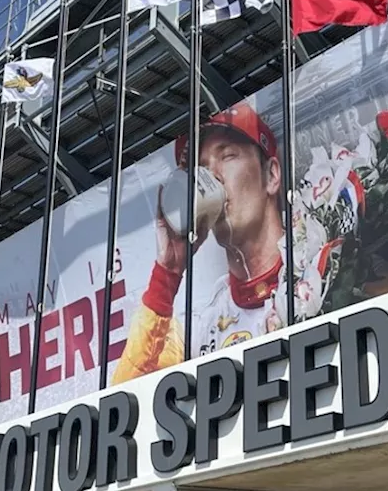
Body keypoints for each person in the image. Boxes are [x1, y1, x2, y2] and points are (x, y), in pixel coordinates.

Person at [112, 103, 285, 384]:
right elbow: (123, 401)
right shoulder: (200, 328)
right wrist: (167, 275)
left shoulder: (320, 263)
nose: (211, 177)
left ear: (272, 175)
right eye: (201, 168)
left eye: (228, 156)